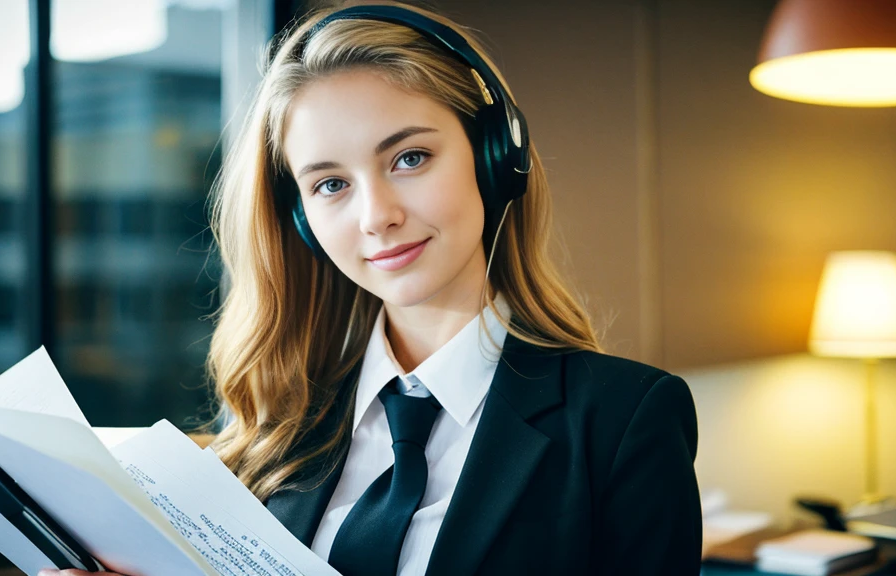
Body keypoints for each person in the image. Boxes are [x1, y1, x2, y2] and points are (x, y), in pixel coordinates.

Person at [40, 1, 702, 575]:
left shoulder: (625, 421)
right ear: (301, 219)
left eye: (409, 158)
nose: (375, 215)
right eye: (331, 183)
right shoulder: (278, 423)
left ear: (495, 156)